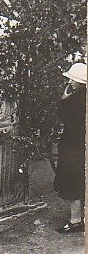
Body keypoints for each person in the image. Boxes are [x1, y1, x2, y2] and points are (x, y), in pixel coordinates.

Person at [54, 62, 86, 233]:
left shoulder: (75, 100)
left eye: (72, 80)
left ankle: (75, 221)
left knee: (72, 181)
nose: (69, 83)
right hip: (82, 144)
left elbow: (64, 118)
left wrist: (64, 99)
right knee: (82, 180)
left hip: (73, 145)